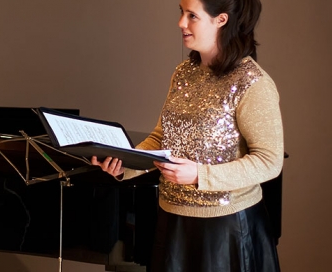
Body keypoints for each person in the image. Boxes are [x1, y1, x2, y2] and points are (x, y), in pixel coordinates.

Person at [91, 0, 283, 271]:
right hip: (172, 221)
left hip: (225, 230)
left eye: (192, 15)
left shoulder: (253, 82)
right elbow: (161, 138)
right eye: (181, 12)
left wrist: (199, 176)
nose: (181, 22)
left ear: (221, 20)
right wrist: (125, 164)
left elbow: (270, 161)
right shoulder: (183, 73)